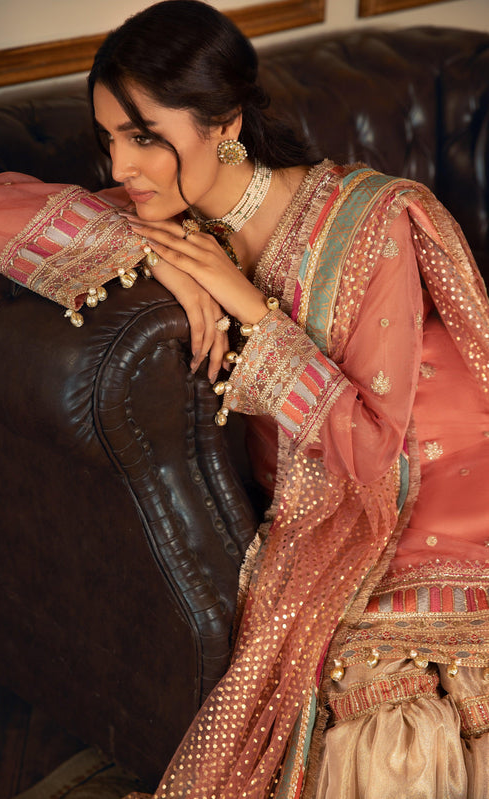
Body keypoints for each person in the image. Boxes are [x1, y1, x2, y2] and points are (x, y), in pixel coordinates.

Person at [87, 2, 489, 797]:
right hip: (342, 495)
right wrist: (158, 257)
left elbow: (374, 448)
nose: (118, 169)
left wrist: (246, 304)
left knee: (393, 735)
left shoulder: (369, 221)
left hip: (440, 479)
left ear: (224, 123)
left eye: (141, 137)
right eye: (106, 139)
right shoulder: (169, 226)